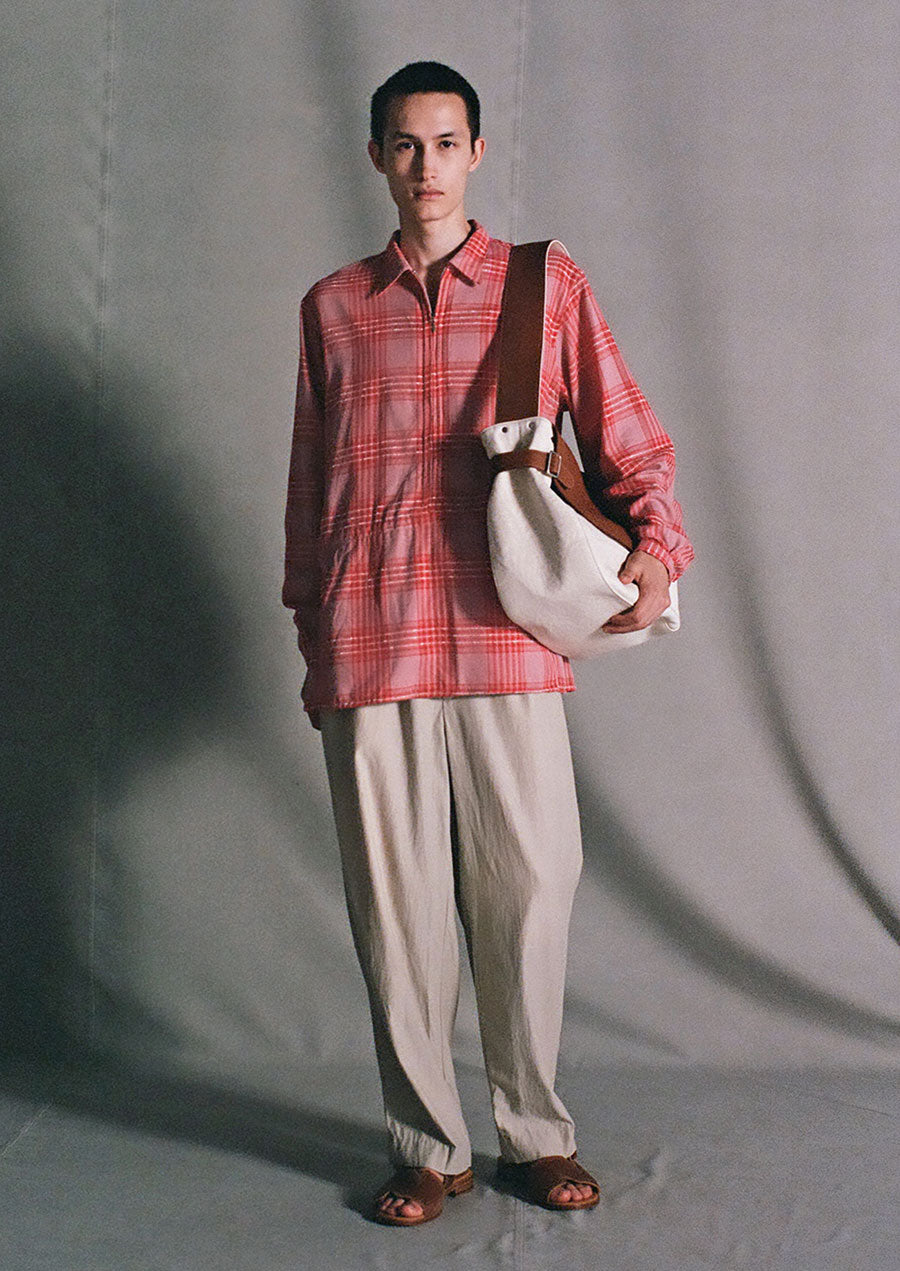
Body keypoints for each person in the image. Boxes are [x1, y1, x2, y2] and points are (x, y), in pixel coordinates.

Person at [282, 61, 694, 1226]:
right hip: (372, 642)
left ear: (476, 152)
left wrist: (657, 545)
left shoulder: (541, 286)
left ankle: (535, 1134)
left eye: (446, 142)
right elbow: (310, 485)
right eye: (405, 144)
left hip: (505, 635)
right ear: (377, 156)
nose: (427, 166)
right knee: (396, 912)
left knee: (530, 892)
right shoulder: (331, 307)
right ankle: (426, 1146)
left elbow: (626, 432)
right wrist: (314, 630)